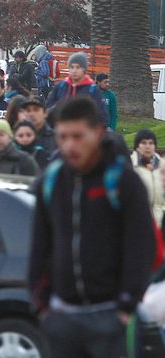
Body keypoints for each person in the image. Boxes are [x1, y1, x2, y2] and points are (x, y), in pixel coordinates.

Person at [29, 97, 156, 358]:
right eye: (63, 137)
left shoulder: (122, 181)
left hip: (110, 314)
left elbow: (141, 245)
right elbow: (39, 244)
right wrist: (40, 305)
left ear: (97, 133)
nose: (69, 145)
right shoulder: (51, 181)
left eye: (78, 136)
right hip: (60, 316)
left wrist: (126, 305)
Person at [46, 52, 108, 126]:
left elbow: (102, 115)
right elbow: (48, 109)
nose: (74, 70)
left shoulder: (93, 90)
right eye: (72, 67)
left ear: (84, 69)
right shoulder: (61, 87)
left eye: (78, 67)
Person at [132, 129, 165, 223]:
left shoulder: (162, 167)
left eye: (151, 143)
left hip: (161, 222)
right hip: (139, 222)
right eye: (144, 143)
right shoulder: (130, 167)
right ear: (137, 146)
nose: (148, 146)